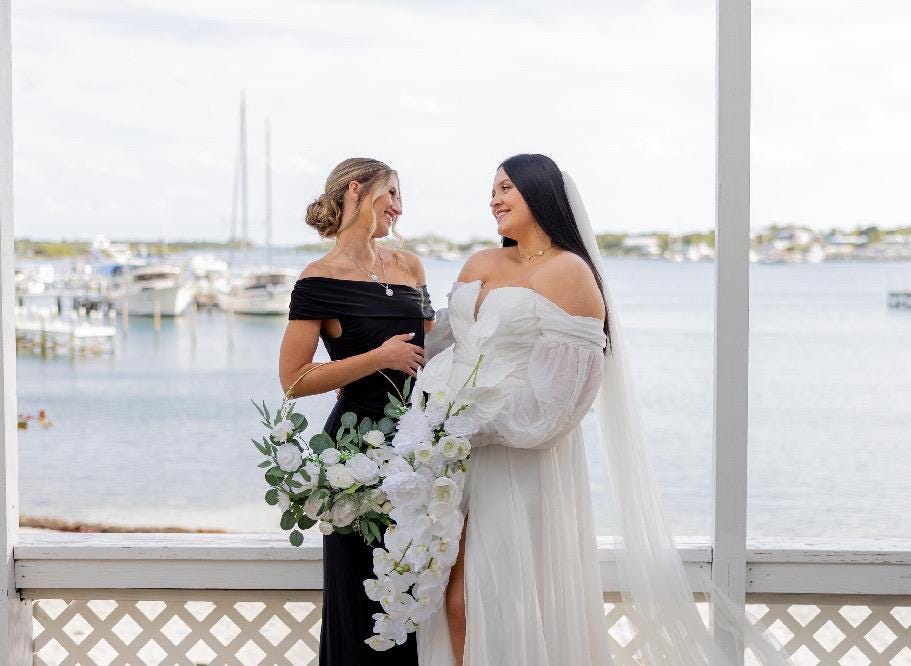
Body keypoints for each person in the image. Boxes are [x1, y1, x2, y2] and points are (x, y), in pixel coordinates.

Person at [418, 154, 792, 666]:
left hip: (514, 458)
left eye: (507, 188)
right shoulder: (479, 263)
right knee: (443, 599)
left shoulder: (569, 273)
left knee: (490, 599)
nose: (495, 199)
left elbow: (563, 399)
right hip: (448, 458)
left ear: (541, 194)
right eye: (493, 189)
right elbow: (444, 346)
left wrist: (472, 426)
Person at [279, 157, 434, 666]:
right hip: (353, 459)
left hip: (419, 450)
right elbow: (294, 380)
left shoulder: (410, 266)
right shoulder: (318, 279)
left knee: (415, 594)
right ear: (355, 191)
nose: (399, 205)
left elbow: (435, 349)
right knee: (361, 599)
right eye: (390, 193)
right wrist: (377, 358)